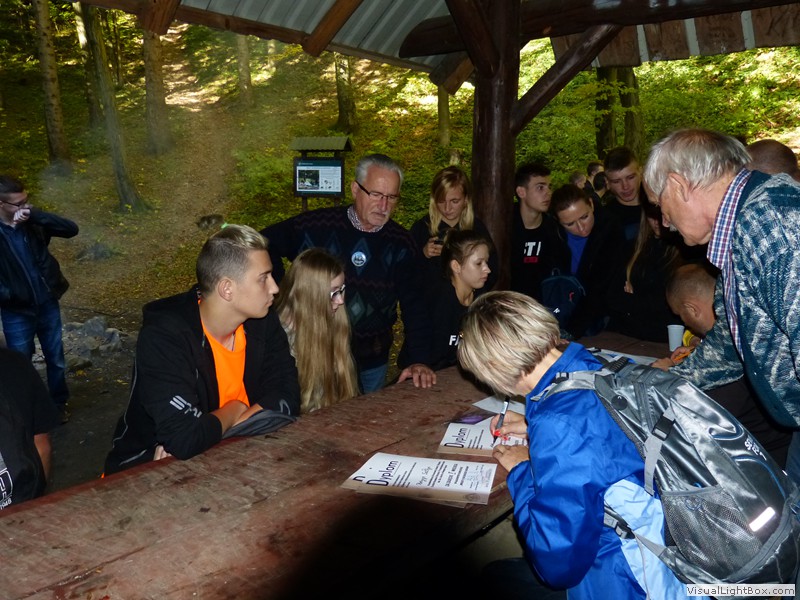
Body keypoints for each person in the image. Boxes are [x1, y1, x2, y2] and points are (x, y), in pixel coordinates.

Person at [458, 291, 700, 600]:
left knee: (489, 576)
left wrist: (522, 471)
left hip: (634, 577)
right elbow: (601, 429)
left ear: (494, 366)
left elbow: (557, 566)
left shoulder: (559, 426)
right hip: (679, 536)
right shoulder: (595, 361)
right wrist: (534, 424)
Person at [643, 127, 800, 482]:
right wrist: (661, 383)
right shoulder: (746, 225)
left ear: (678, 185)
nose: (664, 223)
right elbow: (728, 344)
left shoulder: (771, 226)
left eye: (659, 205)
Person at [104, 225, 300, 474]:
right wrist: (235, 409)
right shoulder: (165, 338)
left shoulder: (262, 322)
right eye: (263, 278)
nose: (274, 288)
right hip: (138, 475)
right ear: (227, 289)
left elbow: (288, 396)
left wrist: (221, 427)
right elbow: (184, 438)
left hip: (233, 464)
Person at [261, 153, 435, 393]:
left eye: (391, 197)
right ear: (355, 189)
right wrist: (281, 291)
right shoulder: (315, 226)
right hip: (317, 355)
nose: (384, 206)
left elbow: (416, 306)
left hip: (372, 359)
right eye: (376, 194)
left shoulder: (402, 244)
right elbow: (262, 243)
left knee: (366, 414)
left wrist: (419, 359)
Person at [651, 262, 792, 466]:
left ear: (692, 309)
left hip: (760, 465)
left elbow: (692, 420)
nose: (685, 323)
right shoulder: (747, 332)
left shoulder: (727, 365)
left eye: (681, 315)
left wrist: (668, 374)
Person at [0, 175, 78, 423]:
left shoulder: (32, 222)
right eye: (18, 203)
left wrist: (35, 215)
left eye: (27, 200)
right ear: (1, 204)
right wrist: (9, 296)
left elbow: (70, 229)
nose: (25, 206)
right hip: (16, 311)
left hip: (47, 303)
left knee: (55, 358)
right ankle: (29, 411)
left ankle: (58, 404)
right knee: (21, 363)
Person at [275, 248, 359, 414]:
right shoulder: (277, 339)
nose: (341, 300)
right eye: (334, 292)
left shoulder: (331, 321)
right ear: (310, 294)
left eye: (341, 289)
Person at [402, 229, 491, 371]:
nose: (487, 269)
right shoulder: (437, 300)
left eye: (486, 262)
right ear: (456, 266)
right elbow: (421, 342)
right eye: (479, 263)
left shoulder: (481, 298)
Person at [550, 184, 624, 339]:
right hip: (560, 312)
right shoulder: (553, 235)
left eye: (584, 217)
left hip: (601, 316)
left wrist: (571, 331)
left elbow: (599, 286)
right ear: (558, 221)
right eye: (570, 224)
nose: (581, 228)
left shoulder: (610, 229)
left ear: (591, 204)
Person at [606, 201, 684, 342]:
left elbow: (671, 306)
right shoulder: (632, 247)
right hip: (625, 333)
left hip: (664, 339)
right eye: (652, 216)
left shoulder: (687, 252)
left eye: (663, 215)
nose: (658, 222)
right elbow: (612, 297)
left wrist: (632, 300)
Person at [408, 165, 495, 289]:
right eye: (441, 201)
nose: (447, 208)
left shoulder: (477, 229)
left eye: (454, 201)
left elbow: (492, 271)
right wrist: (423, 255)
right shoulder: (421, 228)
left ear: (466, 199)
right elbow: (405, 273)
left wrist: (472, 295)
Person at [0, 347, 60, 510]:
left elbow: (42, 445)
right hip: (24, 508)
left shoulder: (14, 365)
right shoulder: (14, 364)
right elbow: (42, 446)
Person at [509, 162, 568, 302]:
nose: (548, 193)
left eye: (549, 187)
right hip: (508, 303)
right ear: (521, 192)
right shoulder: (505, 226)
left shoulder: (555, 229)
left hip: (542, 304)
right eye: (540, 187)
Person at [603, 147, 645, 259]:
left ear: (641, 172)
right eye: (616, 181)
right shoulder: (605, 220)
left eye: (630, 177)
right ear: (607, 182)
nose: (625, 186)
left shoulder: (659, 206)